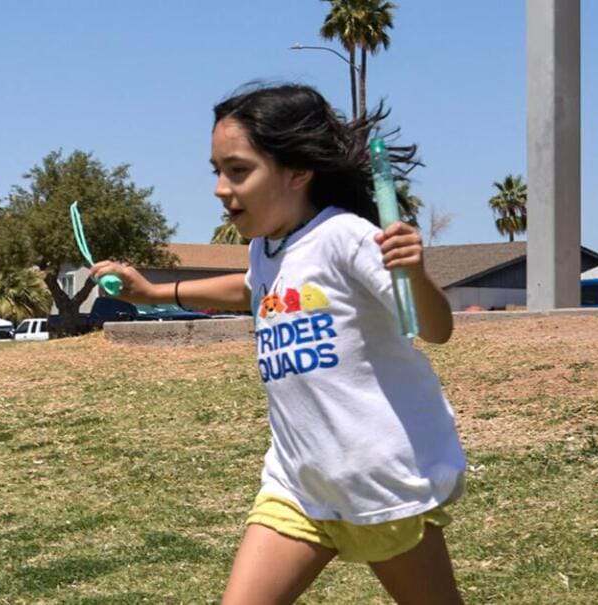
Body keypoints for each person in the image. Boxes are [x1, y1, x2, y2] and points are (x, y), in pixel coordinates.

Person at [91, 83, 466, 604]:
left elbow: (436, 328)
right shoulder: (266, 249)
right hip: (298, 484)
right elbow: (249, 287)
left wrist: (415, 274)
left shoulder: (344, 237)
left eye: (238, 170)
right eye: (216, 171)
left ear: (297, 170)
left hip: (379, 483)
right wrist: (156, 291)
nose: (221, 188)